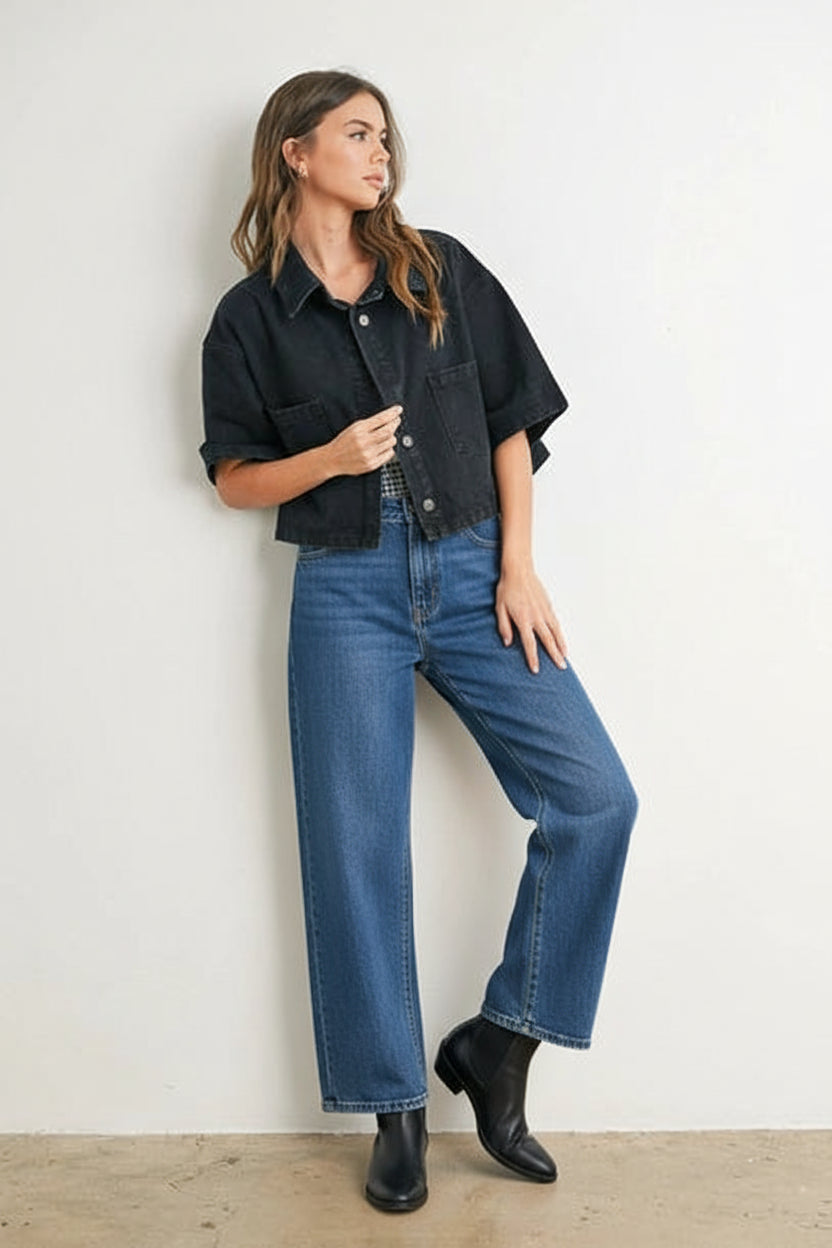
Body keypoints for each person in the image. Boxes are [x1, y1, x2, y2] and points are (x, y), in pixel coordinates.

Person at [198, 69, 639, 1215]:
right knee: (355, 849)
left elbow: (507, 417)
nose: (380, 152)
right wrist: (333, 460)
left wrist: (517, 565)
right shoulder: (250, 319)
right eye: (355, 133)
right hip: (342, 590)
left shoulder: (434, 266)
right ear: (294, 152)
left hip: (468, 567)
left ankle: (501, 1045)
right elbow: (236, 479)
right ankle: (396, 1110)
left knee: (595, 797)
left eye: (386, 136)